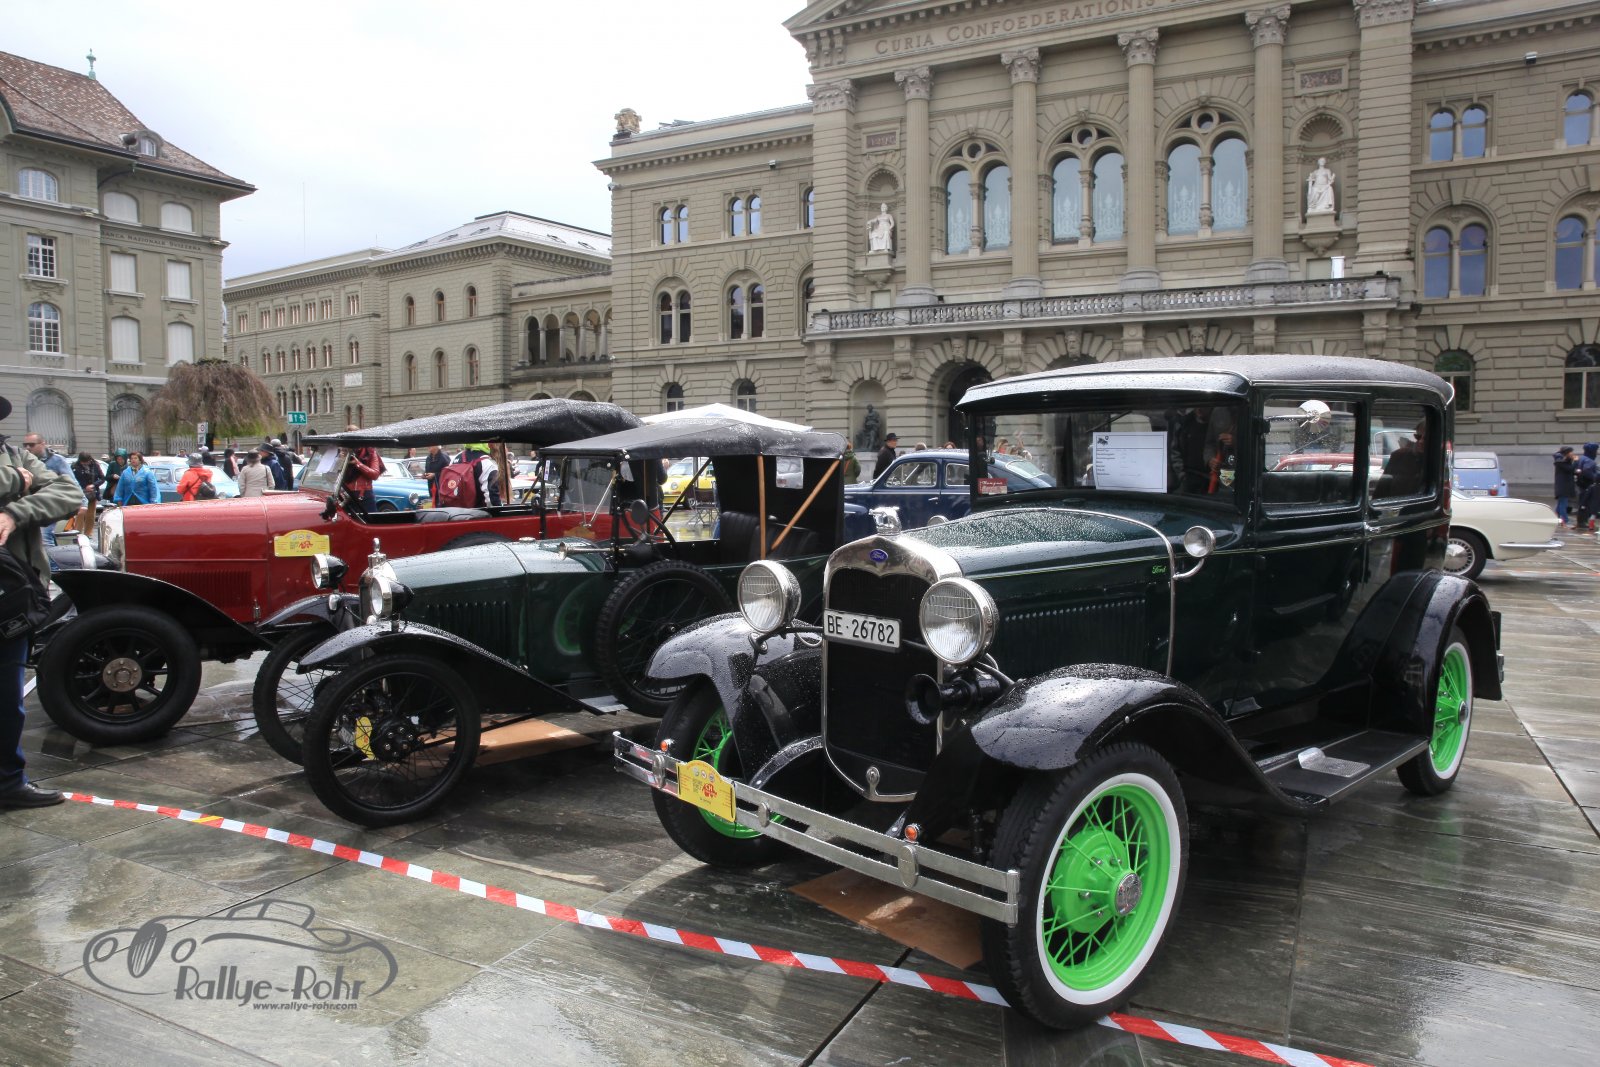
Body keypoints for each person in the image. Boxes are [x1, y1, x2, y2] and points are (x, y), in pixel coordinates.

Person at [2, 396, 83, 808]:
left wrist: (15, 513)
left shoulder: (17, 455)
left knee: (6, 697)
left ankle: (7, 782)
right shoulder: (14, 466)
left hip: (9, 595)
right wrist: (14, 480)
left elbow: (69, 493)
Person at [21, 434, 83, 547]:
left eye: (31, 445)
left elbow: (72, 482)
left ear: (42, 444)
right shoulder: (23, 460)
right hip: (30, 506)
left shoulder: (56, 460)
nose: (28, 448)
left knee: (45, 539)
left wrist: (82, 503)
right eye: (25, 445)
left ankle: (50, 559)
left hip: (49, 505)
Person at [341, 426, 382, 514]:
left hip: (364, 496)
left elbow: (375, 474)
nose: (352, 442)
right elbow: (330, 476)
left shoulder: (370, 452)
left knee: (370, 520)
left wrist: (358, 464)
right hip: (345, 495)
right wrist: (339, 461)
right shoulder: (343, 452)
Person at [1382, 422, 1428, 496]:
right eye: (1418, 437)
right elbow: (1382, 488)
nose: (1421, 441)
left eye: (1426, 438)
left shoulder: (1440, 462)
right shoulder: (1398, 456)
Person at [71, 451, 103, 535]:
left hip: (92, 494)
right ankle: (77, 533)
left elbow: (102, 478)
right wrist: (83, 487)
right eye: (83, 462)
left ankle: (88, 534)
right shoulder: (74, 466)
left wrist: (93, 485)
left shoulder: (95, 465)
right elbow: (72, 479)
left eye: (86, 462)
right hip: (79, 493)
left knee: (90, 515)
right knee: (80, 514)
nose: (85, 463)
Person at [1575, 442, 1599, 535]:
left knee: (1582, 503)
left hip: (1581, 484)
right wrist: (1596, 477)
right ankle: (1582, 522)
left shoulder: (1582, 458)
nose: (1596, 453)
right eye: (1596, 450)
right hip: (1586, 485)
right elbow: (1587, 471)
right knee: (1586, 504)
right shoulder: (1589, 461)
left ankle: (1581, 521)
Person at [1553, 446, 1578, 528]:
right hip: (1563, 486)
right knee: (1563, 504)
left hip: (1564, 486)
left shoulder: (1563, 461)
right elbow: (1570, 469)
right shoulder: (1560, 462)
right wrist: (1575, 461)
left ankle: (1555, 518)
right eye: (1571, 452)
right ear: (1567, 453)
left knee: (1561, 503)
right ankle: (1565, 521)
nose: (1572, 453)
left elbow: (1570, 470)